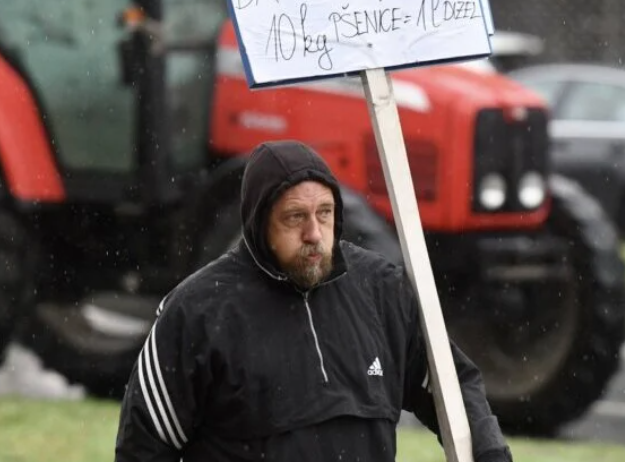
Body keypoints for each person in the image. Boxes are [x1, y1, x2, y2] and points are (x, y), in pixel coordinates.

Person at [113, 139, 513, 462]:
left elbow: (451, 385)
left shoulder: (381, 291)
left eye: (325, 213)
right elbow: (144, 445)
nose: (314, 234)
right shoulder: (197, 311)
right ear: (257, 222)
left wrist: (491, 453)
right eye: (294, 217)